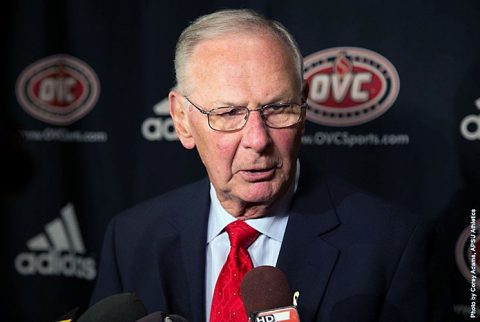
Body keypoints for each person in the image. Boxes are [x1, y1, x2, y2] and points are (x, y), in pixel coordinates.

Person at [91, 9, 429, 322]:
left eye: (278, 108)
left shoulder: (392, 246)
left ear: (304, 104)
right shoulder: (131, 238)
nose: (258, 140)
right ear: (181, 119)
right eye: (228, 113)